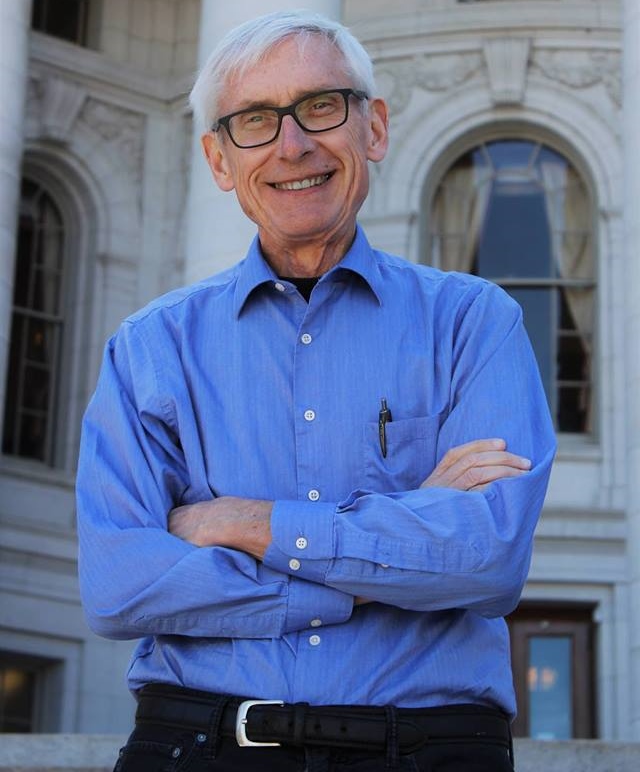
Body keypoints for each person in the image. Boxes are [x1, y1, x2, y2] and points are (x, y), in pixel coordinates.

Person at [76, 10, 556, 772]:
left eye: (321, 107)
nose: (292, 145)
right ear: (219, 160)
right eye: (256, 121)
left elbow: (485, 556)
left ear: (374, 129)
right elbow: (118, 586)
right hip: (196, 747)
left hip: (430, 751)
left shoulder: (475, 322)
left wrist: (244, 521)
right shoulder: (149, 348)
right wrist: (380, 565)